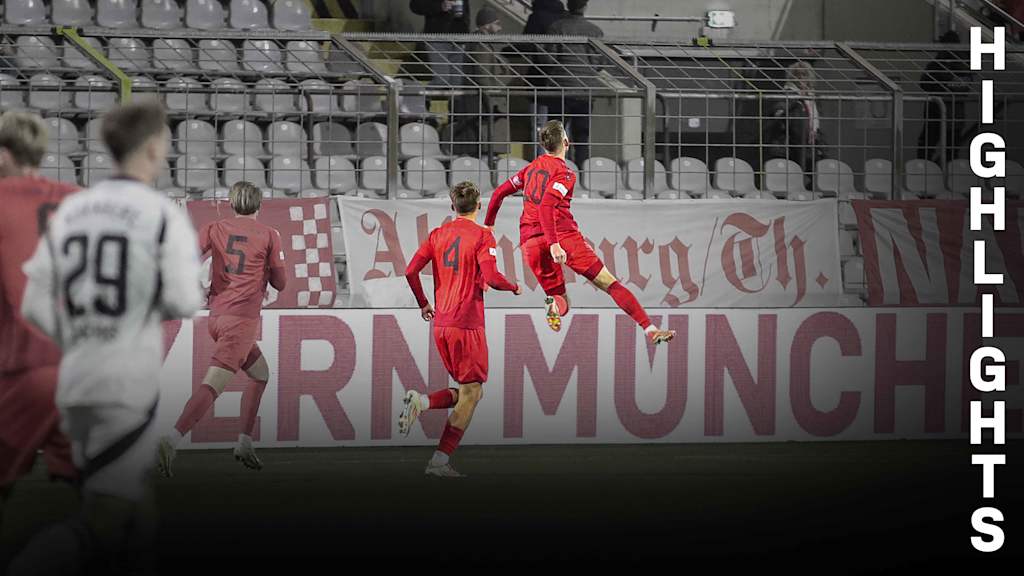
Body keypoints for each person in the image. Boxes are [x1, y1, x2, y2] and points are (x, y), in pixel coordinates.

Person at [11, 99, 203, 575]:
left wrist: (80, 335)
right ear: (154, 148)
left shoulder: (74, 209)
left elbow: (34, 301)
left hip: (76, 381)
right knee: (105, 521)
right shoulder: (161, 214)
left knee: (136, 519)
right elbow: (184, 300)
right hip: (124, 384)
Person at [484, 120, 675, 345]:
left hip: (530, 243)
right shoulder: (565, 173)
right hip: (563, 237)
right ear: (566, 142)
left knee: (562, 301)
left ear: (543, 145)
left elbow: (498, 193)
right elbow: (547, 206)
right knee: (610, 284)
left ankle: (555, 306)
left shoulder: (530, 169)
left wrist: (488, 225)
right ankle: (649, 329)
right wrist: (554, 244)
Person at [157, 181, 287, 476]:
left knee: (260, 374)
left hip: (217, 318)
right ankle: (172, 439)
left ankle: (244, 442)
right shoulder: (269, 235)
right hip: (241, 322)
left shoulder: (214, 228)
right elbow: (281, 284)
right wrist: (265, 268)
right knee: (213, 385)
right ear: (260, 205)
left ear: (231, 203)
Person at [399, 182, 521, 478]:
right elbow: (492, 277)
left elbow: (410, 271)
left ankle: (422, 402)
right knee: (473, 392)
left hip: (441, 324)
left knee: (470, 392)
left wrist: (424, 303)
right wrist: (513, 286)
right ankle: (438, 461)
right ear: (479, 205)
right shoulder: (482, 235)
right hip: (467, 324)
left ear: (452, 206)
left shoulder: (437, 234)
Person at [0, 111, 78, 529]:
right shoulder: (79, 200)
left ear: (4, 154)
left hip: (24, 366)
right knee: (91, 494)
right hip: (84, 370)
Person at [545, 0, 604, 167]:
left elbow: (548, 59)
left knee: (555, 138)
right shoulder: (594, 31)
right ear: (585, 7)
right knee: (582, 137)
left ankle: (555, 173)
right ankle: (582, 174)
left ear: (568, 6)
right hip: (584, 91)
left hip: (560, 89)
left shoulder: (556, 28)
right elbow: (599, 62)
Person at [766, 60, 827, 188]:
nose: (801, 79)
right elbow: (778, 109)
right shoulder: (789, 93)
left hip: (811, 144)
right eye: (797, 75)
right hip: (791, 145)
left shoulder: (813, 97)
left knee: (820, 175)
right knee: (791, 179)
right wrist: (786, 105)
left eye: (804, 75)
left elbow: (816, 121)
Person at [916, 30, 973, 164]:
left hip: (948, 113)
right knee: (935, 147)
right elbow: (924, 82)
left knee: (940, 148)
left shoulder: (958, 63)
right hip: (943, 113)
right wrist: (946, 82)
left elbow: (962, 86)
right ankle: (930, 170)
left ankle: (931, 171)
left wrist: (942, 81)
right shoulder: (941, 62)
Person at [410, 0, 472, 87]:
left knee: (457, 83)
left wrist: (465, 29)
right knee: (442, 80)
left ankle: (450, 96)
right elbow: (415, 5)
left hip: (459, 39)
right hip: (437, 39)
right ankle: (422, 95)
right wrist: (440, 6)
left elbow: (466, 9)